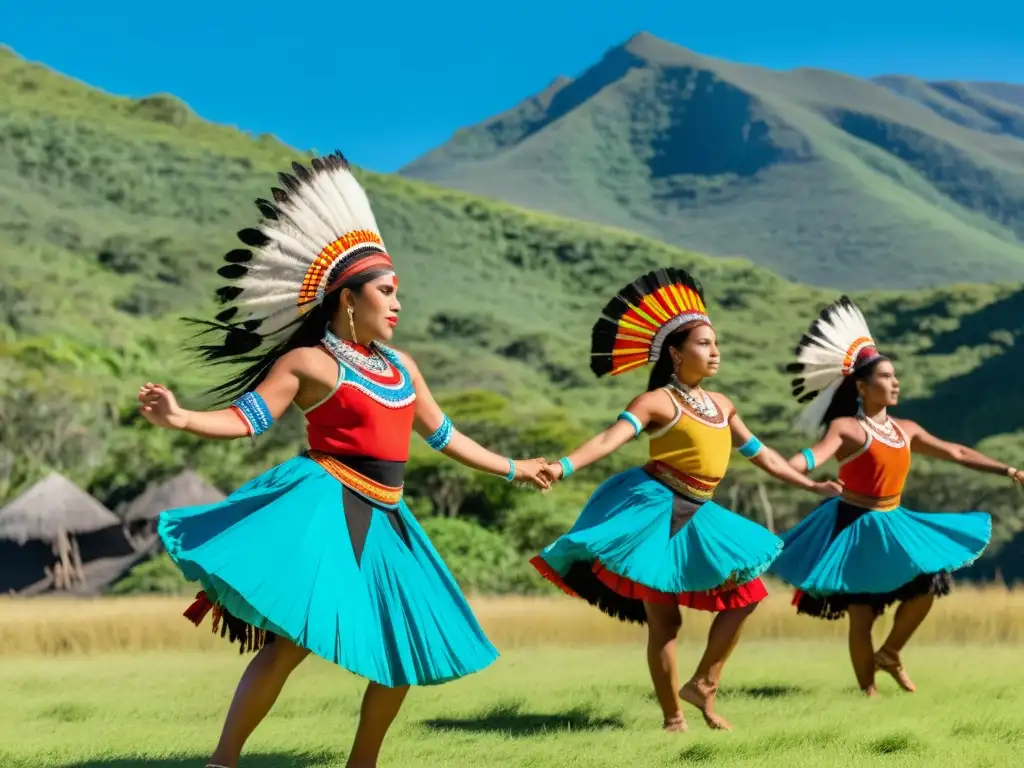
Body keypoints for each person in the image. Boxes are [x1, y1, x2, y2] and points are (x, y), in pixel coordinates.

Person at [137, 151, 552, 768]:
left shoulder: (402, 368)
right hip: (326, 507)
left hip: (390, 521)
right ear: (346, 298)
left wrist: (516, 468)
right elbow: (247, 419)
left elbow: (446, 438)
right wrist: (181, 417)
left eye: (396, 293)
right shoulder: (308, 364)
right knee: (287, 647)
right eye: (386, 291)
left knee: (402, 655)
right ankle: (221, 762)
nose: (397, 303)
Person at [529, 267, 842, 733]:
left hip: (702, 513)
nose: (714, 351)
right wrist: (561, 466)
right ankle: (673, 719)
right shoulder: (655, 401)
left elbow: (765, 457)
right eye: (703, 344)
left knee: (747, 595)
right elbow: (607, 440)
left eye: (716, 344)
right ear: (675, 353)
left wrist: (813, 486)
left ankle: (703, 684)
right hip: (654, 510)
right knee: (666, 623)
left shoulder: (722, 404)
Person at [769, 295, 1021, 696]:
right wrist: (783, 465)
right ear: (862, 386)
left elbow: (956, 451)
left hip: (894, 521)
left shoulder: (906, 428)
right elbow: (814, 457)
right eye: (886, 376)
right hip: (851, 525)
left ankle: (890, 652)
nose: (895, 382)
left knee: (927, 586)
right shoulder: (846, 428)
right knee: (862, 614)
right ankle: (868, 695)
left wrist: (1007, 469)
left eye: (894, 375)